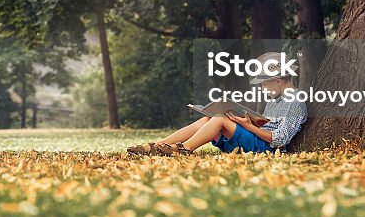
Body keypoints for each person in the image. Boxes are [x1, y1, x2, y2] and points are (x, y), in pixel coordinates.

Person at [127, 61, 307, 156]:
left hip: (267, 148)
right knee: (208, 119)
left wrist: (249, 126)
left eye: (264, 84)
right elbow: (266, 126)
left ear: (277, 80)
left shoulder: (295, 102)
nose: (262, 88)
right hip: (256, 139)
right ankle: (157, 146)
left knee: (220, 118)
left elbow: (280, 139)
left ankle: (183, 149)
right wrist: (247, 122)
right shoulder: (275, 100)